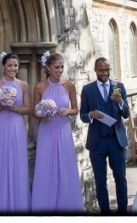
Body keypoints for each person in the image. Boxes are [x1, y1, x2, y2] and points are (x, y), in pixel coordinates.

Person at [30, 52, 83, 214]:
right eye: (56, 67)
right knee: (46, 164)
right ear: (48, 68)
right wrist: (41, 115)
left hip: (63, 131)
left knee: (64, 166)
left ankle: (66, 205)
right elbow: (33, 111)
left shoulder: (69, 85)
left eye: (62, 67)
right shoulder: (39, 87)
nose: (60, 71)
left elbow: (76, 109)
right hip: (47, 131)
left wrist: (68, 110)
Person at [80, 58, 130, 215]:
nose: (105, 73)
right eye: (102, 70)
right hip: (97, 142)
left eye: (107, 70)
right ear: (95, 70)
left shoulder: (118, 87)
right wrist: (90, 115)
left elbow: (126, 114)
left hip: (116, 141)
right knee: (100, 180)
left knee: (120, 178)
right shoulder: (87, 90)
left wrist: (120, 101)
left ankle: (122, 212)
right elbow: (82, 114)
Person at [0, 52, 31, 213]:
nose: (13, 68)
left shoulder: (23, 85)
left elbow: (28, 109)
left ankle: (17, 205)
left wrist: (15, 108)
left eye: (15, 65)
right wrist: (2, 105)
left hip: (16, 126)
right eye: (10, 65)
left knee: (16, 162)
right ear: (3, 66)